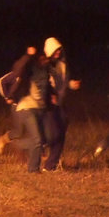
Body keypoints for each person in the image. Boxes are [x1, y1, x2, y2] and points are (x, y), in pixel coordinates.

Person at [9, 46, 51, 173]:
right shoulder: (29, 71)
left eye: (46, 59)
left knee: (41, 140)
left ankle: (18, 144)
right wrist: (28, 55)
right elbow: (18, 68)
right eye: (42, 58)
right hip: (26, 107)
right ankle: (33, 169)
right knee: (37, 140)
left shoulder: (46, 72)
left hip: (38, 109)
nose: (45, 61)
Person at [42, 36, 81, 171]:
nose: (58, 52)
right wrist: (49, 95)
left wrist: (71, 84)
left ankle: (51, 164)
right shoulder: (44, 66)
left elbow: (64, 82)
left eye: (59, 49)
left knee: (63, 127)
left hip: (59, 103)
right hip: (47, 104)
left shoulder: (62, 65)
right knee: (53, 134)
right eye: (56, 50)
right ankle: (38, 144)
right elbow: (41, 83)